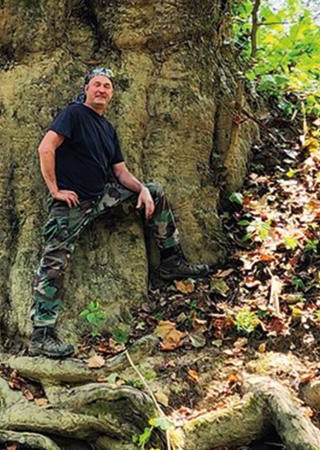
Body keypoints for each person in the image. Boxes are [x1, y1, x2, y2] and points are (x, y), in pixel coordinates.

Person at [29, 67, 214, 359]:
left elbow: (120, 171)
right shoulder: (74, 114)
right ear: (86, 89)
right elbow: (45, 148)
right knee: (54, 261)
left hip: (102, 195)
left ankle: (171, 260)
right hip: (73, 203)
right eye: (97, 85)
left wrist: (140, 189)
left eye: (107, 86)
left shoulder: (107, 128)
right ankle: (41, 334)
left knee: (154, 190)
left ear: (111, 94)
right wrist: (54, 189)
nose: (102, 89)